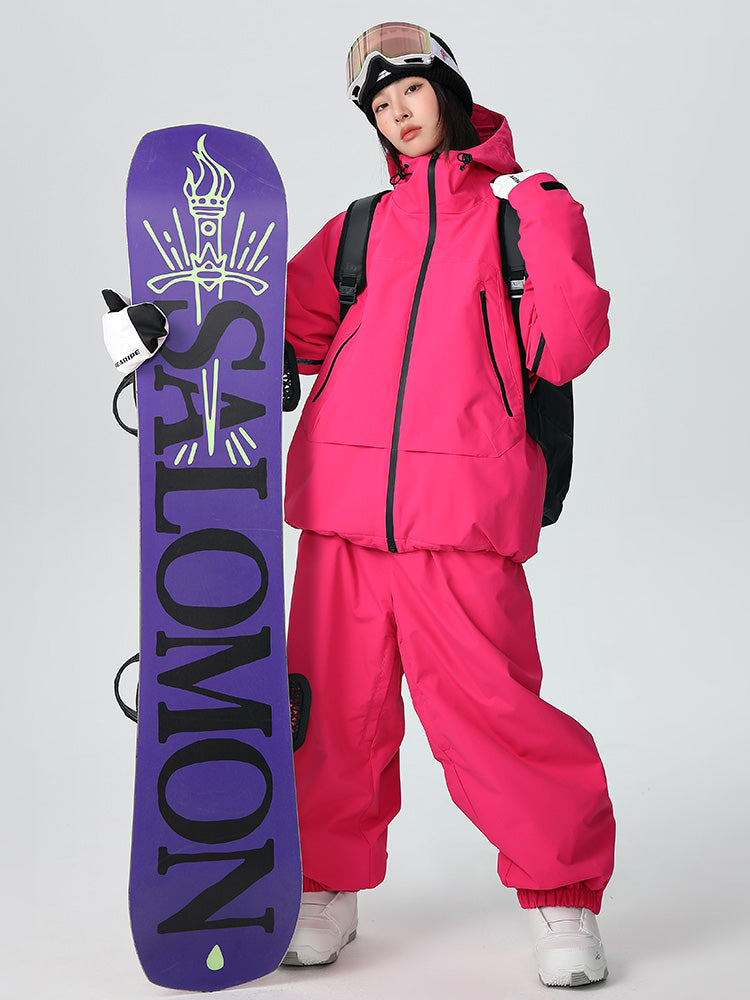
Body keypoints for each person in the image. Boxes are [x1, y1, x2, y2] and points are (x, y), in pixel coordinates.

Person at [280, 22, 616, 987]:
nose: (399, 113)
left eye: (413, 92)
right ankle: (322, 886)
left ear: (450, 94)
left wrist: (544, 213)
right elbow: (278, 336)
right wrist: (176, 338)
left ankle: (560, 898)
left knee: (496, 716)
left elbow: (568, 344)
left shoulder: (516, 216)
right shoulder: (357, 229)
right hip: (343, 511)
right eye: (381, 105)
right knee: (329, 716)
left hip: (462, 510)